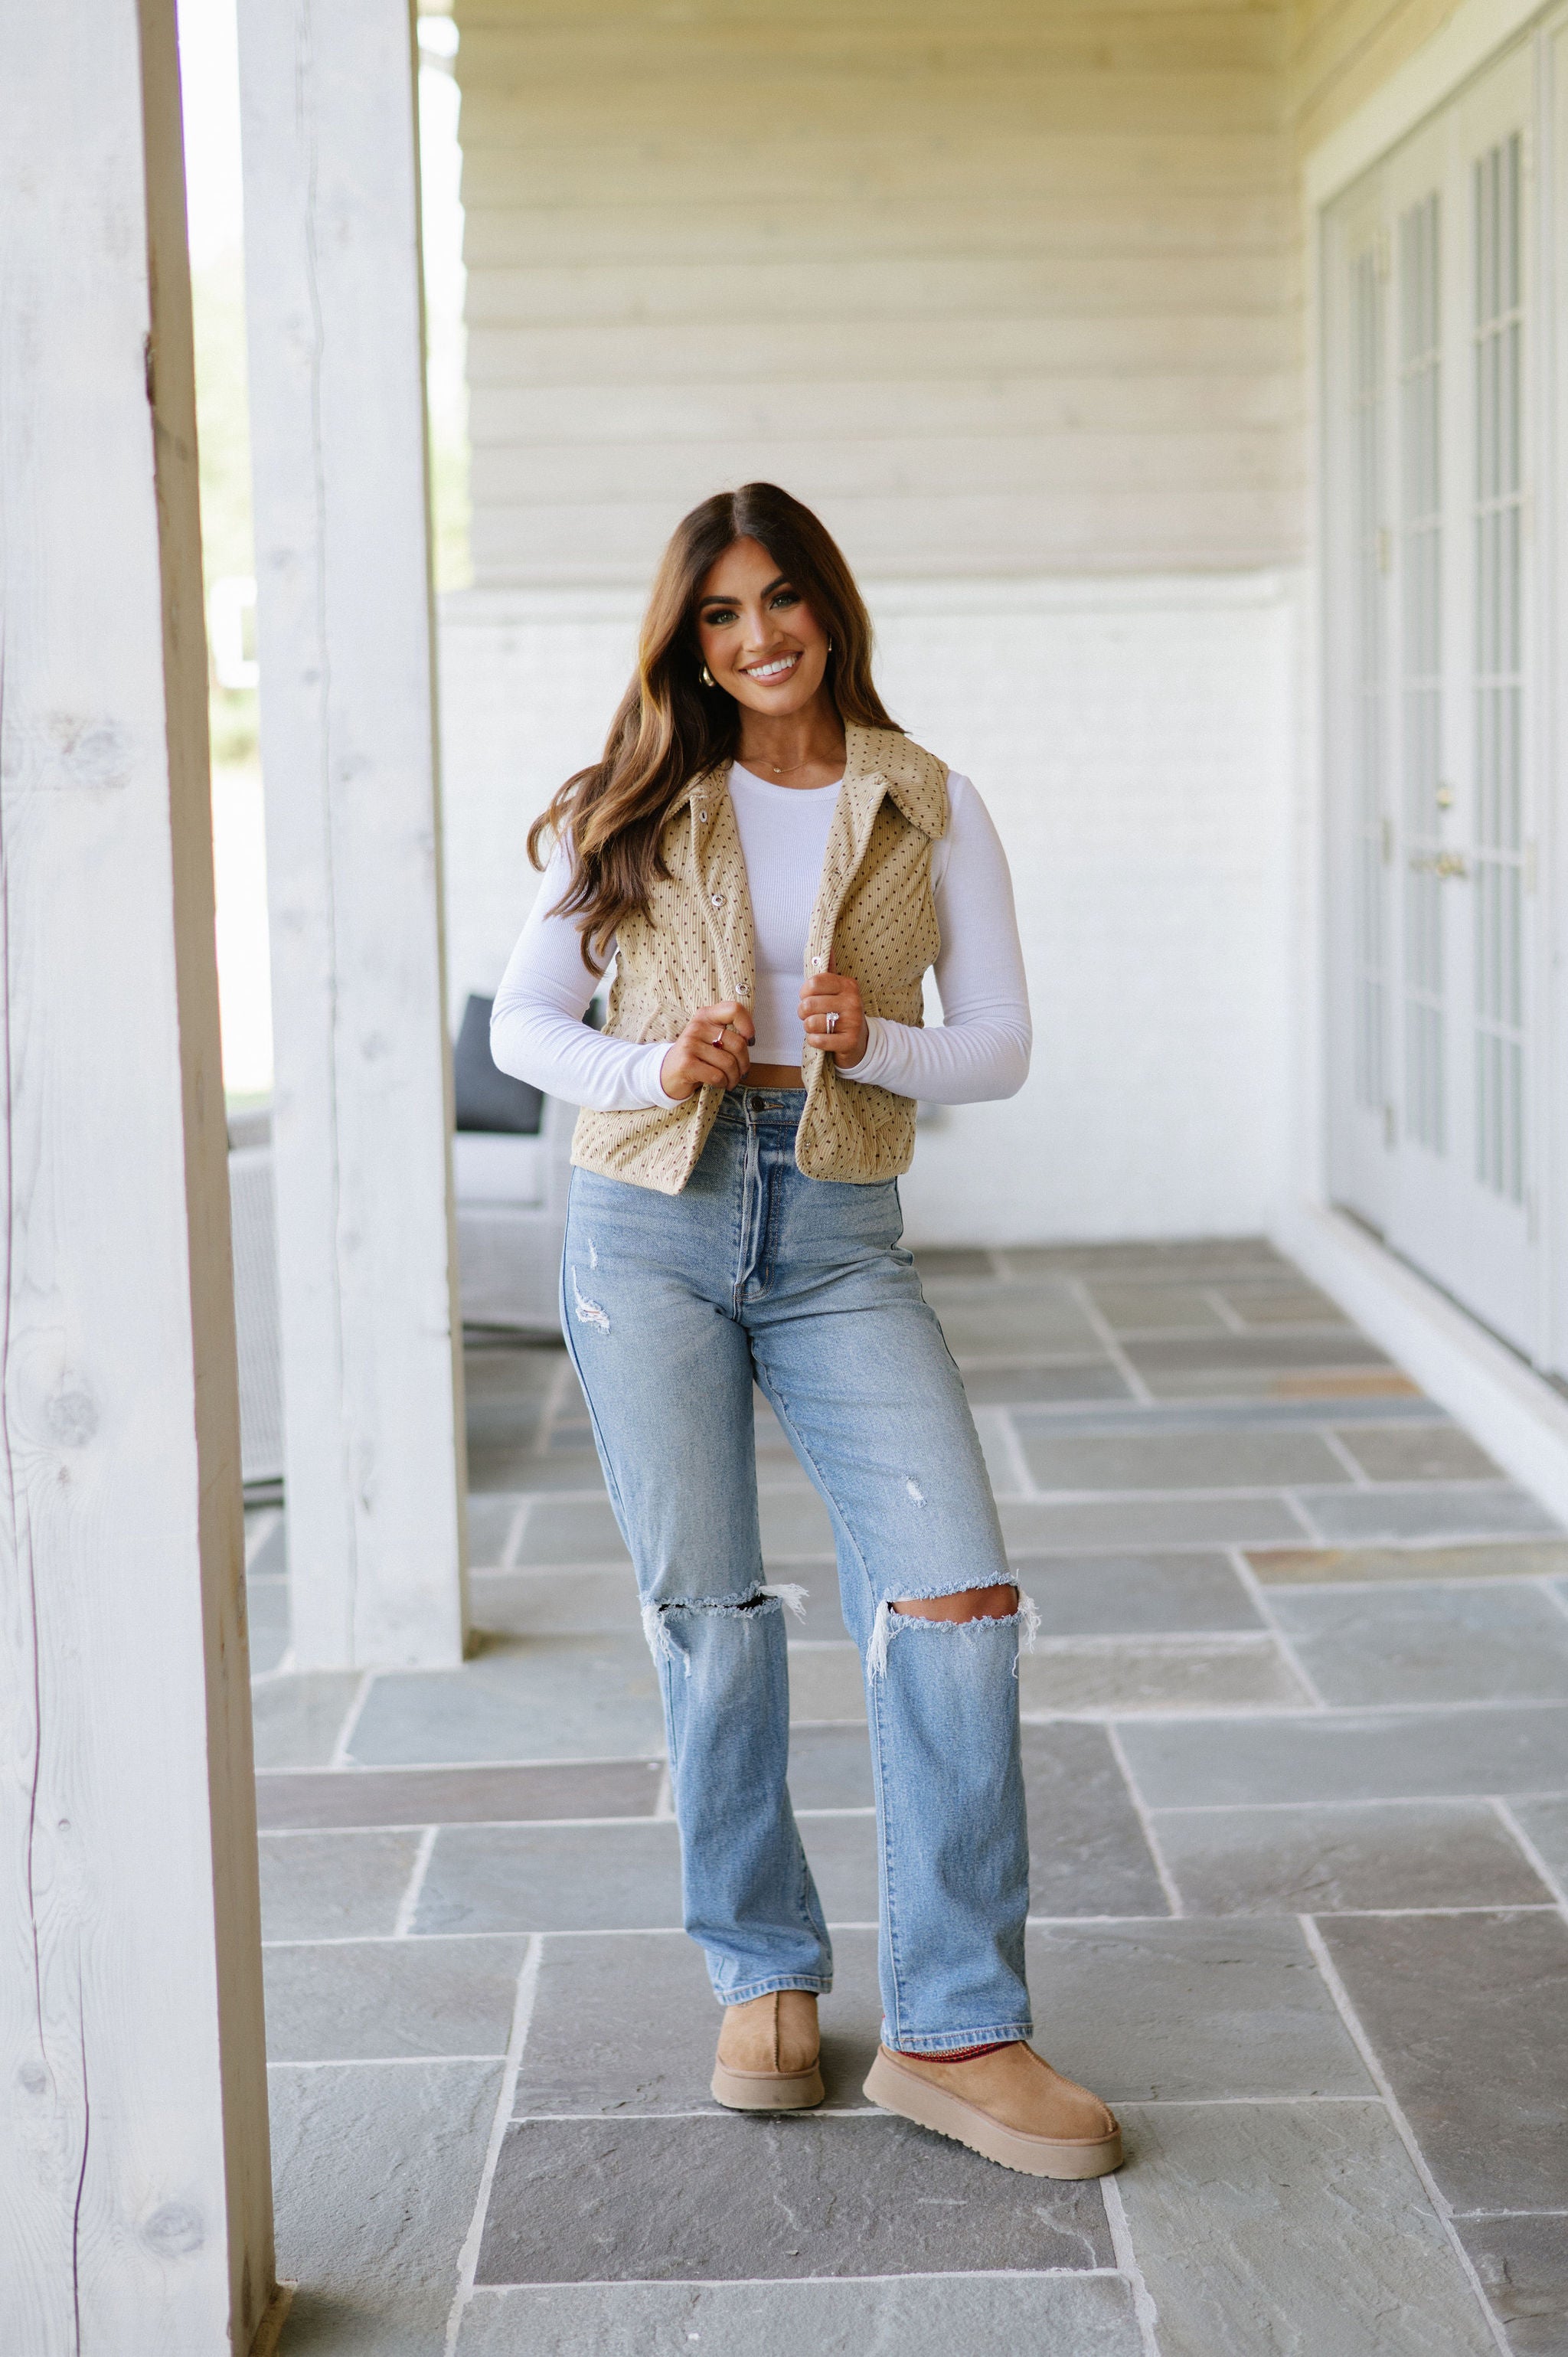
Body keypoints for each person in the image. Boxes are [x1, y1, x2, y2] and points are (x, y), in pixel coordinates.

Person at [491, 482, 1122, 2179]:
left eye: (778, 600)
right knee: (709, 1607)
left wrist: (876, 1039)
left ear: (827, 606)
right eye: (717, 613)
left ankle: (956, 2028)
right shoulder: (635, 800)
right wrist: (653, 1068)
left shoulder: (926, 799)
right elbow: (526, 1022)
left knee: (956, 1599)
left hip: (839, 1231)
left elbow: (994, 1040)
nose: (754, 636)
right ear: (685, 636)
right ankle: (760, 1974)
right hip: (651, 1220)